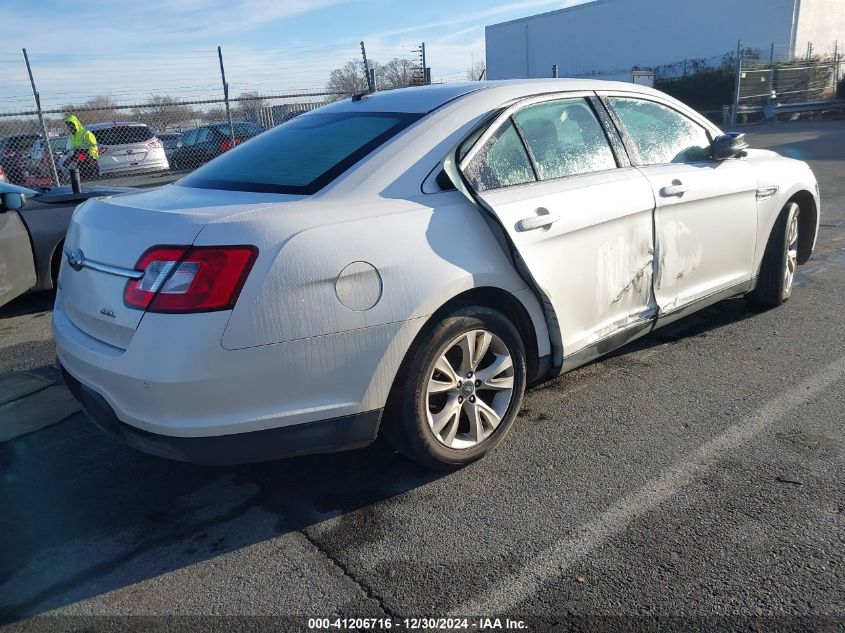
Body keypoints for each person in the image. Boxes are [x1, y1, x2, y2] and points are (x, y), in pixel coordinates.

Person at [62, 114, 99, 180]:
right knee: (82, 182)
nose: (69, 128)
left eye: (71, 125)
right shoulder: (72, 136)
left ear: (75, 125)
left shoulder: (86, 133)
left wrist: (85, 156)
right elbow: (74, 150)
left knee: (93, 180)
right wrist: (70, 159)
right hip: (80, 163)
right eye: (68, 126)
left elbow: (94, 147)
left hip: (90, 161)